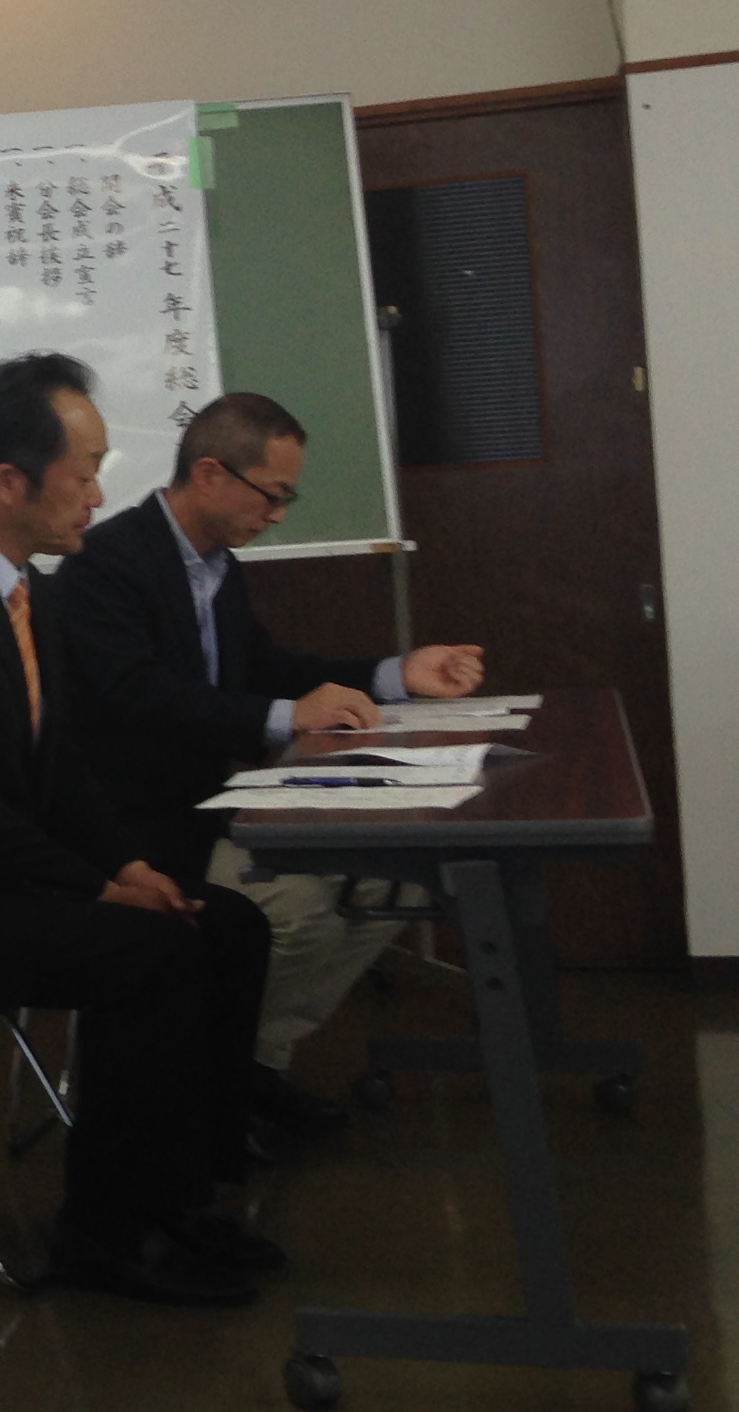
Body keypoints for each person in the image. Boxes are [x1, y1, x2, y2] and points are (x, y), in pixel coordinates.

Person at [0, 352, 278, 1307]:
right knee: (149, 952)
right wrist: (94, 887)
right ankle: (107, 1236)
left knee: (227, 925)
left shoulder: (26, 589)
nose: (99, 497)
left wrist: (128, 863)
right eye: (85, 474)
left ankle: (183, 1201)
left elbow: (60, 768)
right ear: (9, 482)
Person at [48, 391, 485, 1134]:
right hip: (138, 829)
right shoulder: (108, 563)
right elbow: (139, 696)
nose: (278, 515)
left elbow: (265, 666)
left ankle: (246, 1067)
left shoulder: (217, 565)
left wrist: (393, 674)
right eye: (272, 495)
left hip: (214, 806)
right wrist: (285, 718)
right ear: (210, 475)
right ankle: (206, 1084)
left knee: (389, 878)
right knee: (293, 913)